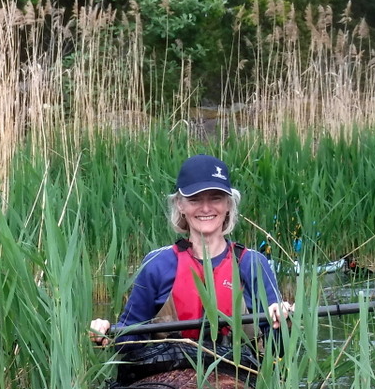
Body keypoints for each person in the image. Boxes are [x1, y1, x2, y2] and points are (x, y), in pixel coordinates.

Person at [90, 154, 292, 372]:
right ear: (180, 205)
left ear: (228, 205)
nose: (205, 208)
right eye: (194, 199)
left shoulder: (253, 263)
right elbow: (129, 341)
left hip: (240, 382)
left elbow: (278, 349)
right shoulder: (157, 264)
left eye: (215, 198)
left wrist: (284, 321)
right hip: (168, 385)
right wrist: (106, 332)